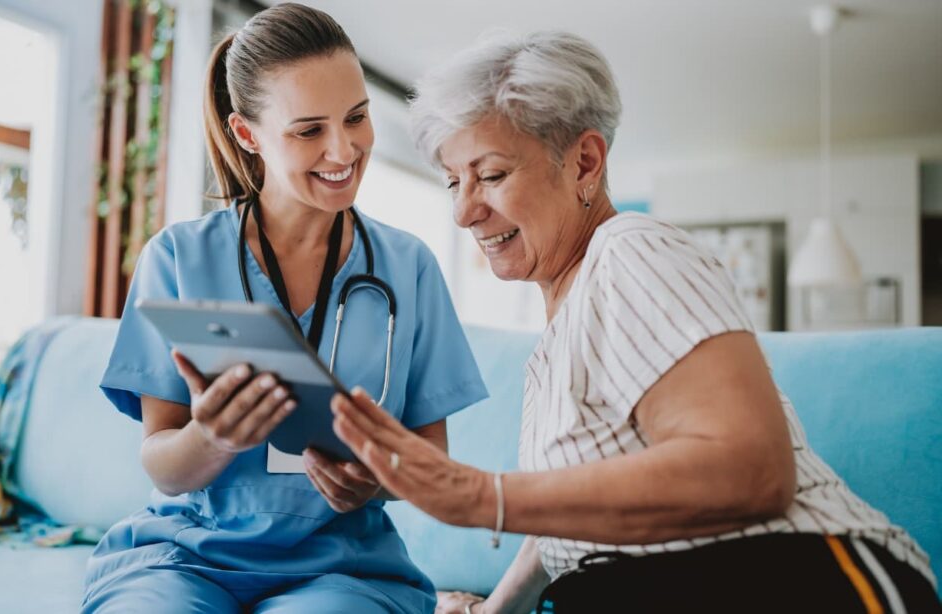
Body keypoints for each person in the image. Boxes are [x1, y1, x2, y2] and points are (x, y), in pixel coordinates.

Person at [328, 31, 941, 613]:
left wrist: (481, 495)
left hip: (793, 575)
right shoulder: (565, 327)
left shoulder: (629, 251)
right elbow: (575, 522)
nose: (464, 211)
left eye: (489, 175)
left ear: (585, 164)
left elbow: (751, 468)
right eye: (453, 181)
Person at [82, 5, 487, 613]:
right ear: (248, 135)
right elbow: (163, 464)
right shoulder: (177, 259)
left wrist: (377, 478)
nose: (344, 149)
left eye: (357, 117)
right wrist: (211, 438)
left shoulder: (409, 269)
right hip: (186, 556)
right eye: (309, 130)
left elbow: (432, 458)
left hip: (342, 566)